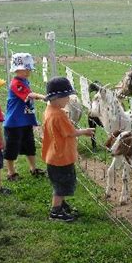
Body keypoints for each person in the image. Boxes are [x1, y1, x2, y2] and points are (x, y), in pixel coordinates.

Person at [42, 77, 94, 222]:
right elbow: (70, 132)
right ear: (57, 98)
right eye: (66, 97)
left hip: (53, 155)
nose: (68, 100)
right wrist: (85, 131)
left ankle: (61, 205)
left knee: (60, 184)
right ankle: (56, 212)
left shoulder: (50, 110)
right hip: (61, 157)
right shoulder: (59, 115)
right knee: (61, 186)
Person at [4, 52, 46, 181]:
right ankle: (11, 172)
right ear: (17, 69)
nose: (28, 71)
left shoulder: (24, 80)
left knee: (29, 146)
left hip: (25, 121)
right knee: (11, 148)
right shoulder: (16, 83)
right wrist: (44, 97)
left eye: (29, 69)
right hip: (14, 122)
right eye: (25, 69)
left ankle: (33, 168)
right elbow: (29, 95)